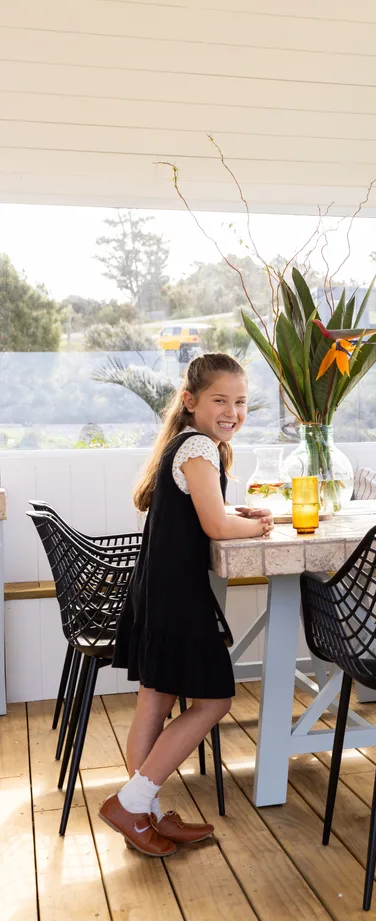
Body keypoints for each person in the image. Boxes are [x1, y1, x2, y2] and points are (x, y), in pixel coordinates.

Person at [99, 353, 275, 856]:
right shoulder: (199, 446)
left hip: (155, 590)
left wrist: (235, 515)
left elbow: (208, 515)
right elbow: (216, 527)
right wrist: (260, 525)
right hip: (178, 597)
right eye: (220, 399)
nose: (232, 411)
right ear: (191, 401)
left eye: (240, 402)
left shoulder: (183, 445)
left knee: (154, 702)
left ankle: (146, 816)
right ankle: (133, 803)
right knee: (215, 700)